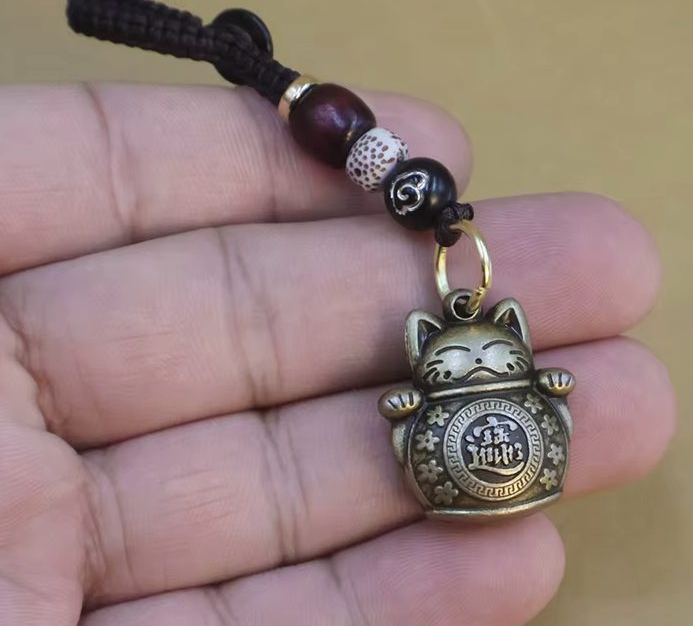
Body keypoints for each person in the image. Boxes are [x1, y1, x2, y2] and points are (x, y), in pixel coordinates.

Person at [0, 82, 675, 625]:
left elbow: (549, 395)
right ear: (424, 348)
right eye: (452, 360)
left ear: (513, 337)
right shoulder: (432, 352)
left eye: (494, 355)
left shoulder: (501, 351)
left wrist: (544, 385)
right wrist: (412, 403)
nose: (473, 364)